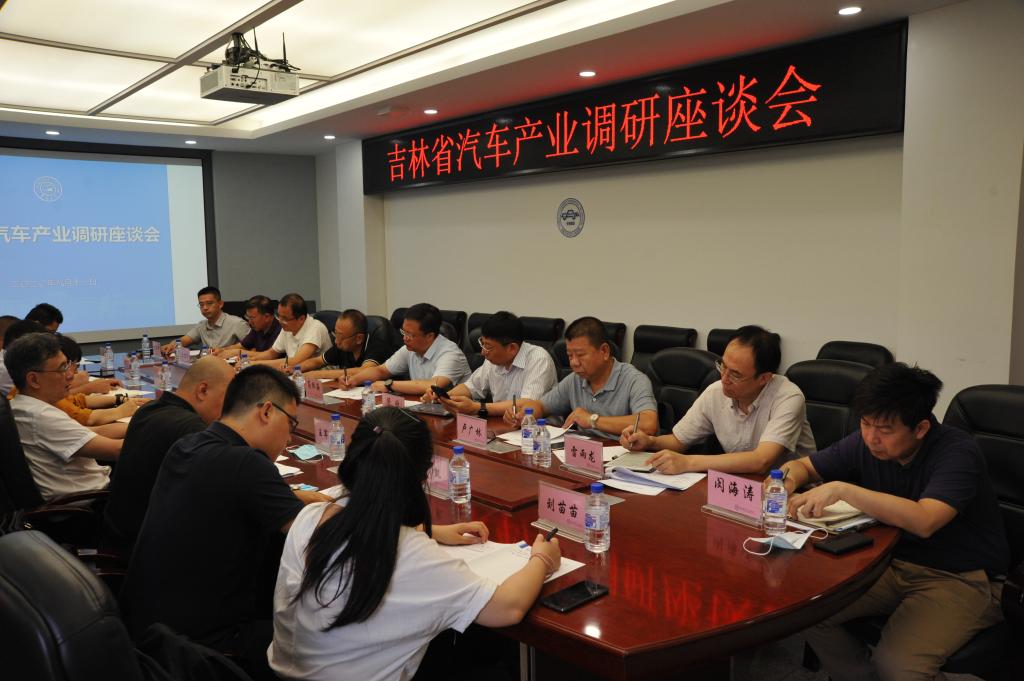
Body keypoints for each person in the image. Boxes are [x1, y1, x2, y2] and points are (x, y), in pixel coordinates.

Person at [268, 407, 562, 681]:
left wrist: (435, 532)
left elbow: (369, 528)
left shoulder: (310, 516)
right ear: (423, 475)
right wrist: (542, 559)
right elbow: (508, 608)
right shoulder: (412, 554)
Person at [785, 363, 1008, 681]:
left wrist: (844, 490)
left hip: (961, 577)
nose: (871, 438)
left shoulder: (957, 452)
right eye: (865, 423)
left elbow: (925, 520)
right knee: (806, 610)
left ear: (921, 428)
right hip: (889, 563)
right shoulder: (867, 441)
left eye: (885, 430)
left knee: (899, 666)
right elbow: (804, 467)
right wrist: (784, 481)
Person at [620, 325, 815, 475]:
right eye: (723, 366)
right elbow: (678, 441)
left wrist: (688, 462)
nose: (724, 378)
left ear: (764, 378)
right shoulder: (716, 392)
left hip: (791, 492)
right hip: (739, 486)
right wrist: (650, 441)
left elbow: (761, 461)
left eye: (735, 374)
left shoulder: (788, 397)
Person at [102, 356, 236, 552]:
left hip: (117, 535)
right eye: (230, 397)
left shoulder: (149, 408)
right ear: (203, 390)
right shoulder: (192, 429)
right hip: (147, 551)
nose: (231, 407)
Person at [4, 332, 122, 501]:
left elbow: (90, 433)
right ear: (34, 380)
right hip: (90, 504)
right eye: (62, 368)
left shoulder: (23, 405)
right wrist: (156, 433)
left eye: (68, 365)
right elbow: (117, 450)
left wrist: (139, 425)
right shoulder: (41, 416)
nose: (70, 375)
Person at [505, 316, 657, 438]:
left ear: (604, 351)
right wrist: (523, 414)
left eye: (580, 355)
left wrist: (593, 420)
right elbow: (542, 406)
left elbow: (648, 423)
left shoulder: (634, 380)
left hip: (621, 457)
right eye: (570, 355)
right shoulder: (575, 379)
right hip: (581, 454)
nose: (574, 363)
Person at [423, 311, 557, 418]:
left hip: (535, 429)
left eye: (488, 347)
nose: (483, 352)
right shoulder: (492, 358)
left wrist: (478, 408)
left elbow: (528, 405)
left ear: (512, 348)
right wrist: (444, 397)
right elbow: (471, 387)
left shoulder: (539, 359)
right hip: (500, 422)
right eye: (482, 343)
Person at [344, 303, 471, 396]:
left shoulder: (450, 354)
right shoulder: (410, 348)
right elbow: (381, 370)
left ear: (429, 336)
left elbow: (433, 385)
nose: (404, 338)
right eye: (403, 332)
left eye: (409, 335)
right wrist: (353, 380)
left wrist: (389, 385)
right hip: (423, 407)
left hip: (456, 415)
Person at [297, 308, 393, 379]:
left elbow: (365, 371)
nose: (336, 341)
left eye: (341, 337)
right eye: (336, 334)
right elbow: (317, 361)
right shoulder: (342, 345)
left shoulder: (377, 345)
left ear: (359, 338)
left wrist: (319, 374)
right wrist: (295, 369)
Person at [247, 293, 331, 370]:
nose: (280, 321)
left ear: (301, 319)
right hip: (297, 373)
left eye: (285, 318)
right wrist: (250, 360)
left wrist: (255, 364)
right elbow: (272, 353)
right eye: (279, 316)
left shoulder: (315, 328)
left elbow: (296, 361)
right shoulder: (287, 327)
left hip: (321, 375)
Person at [160, 286, 249, 354]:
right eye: (201, 305)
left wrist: (226, 351)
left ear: (220, 304)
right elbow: (184, 340)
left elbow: (251, 347)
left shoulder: (237, 323)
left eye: (209, 303)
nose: (205, 308)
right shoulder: (202, 325)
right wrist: (171, 345)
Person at [212, 295, 282, 358]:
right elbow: (242, 346)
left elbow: (269, 355)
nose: (249, 322)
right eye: (248, 317)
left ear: (266, 317)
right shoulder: (257, 328)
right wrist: (222, 350)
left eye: (252, 318)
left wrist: (239, 352)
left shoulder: (281, 330)